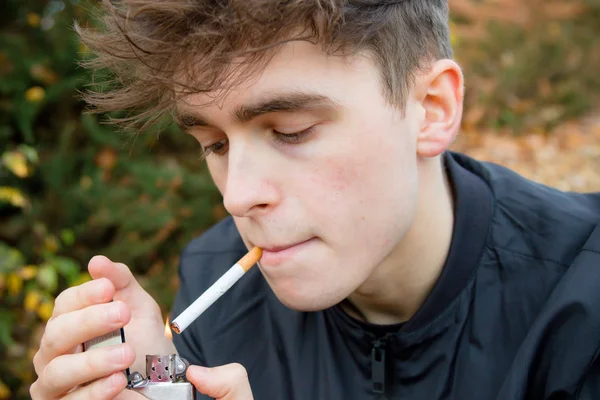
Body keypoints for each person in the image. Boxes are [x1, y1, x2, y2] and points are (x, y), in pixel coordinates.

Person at [30, 0, 600, 399]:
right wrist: (153, 383)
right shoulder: (212, 282)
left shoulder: (581, 298)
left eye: (292, 130)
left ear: (431, 108)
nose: (237, 197)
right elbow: (163, 382)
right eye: (214, 143)